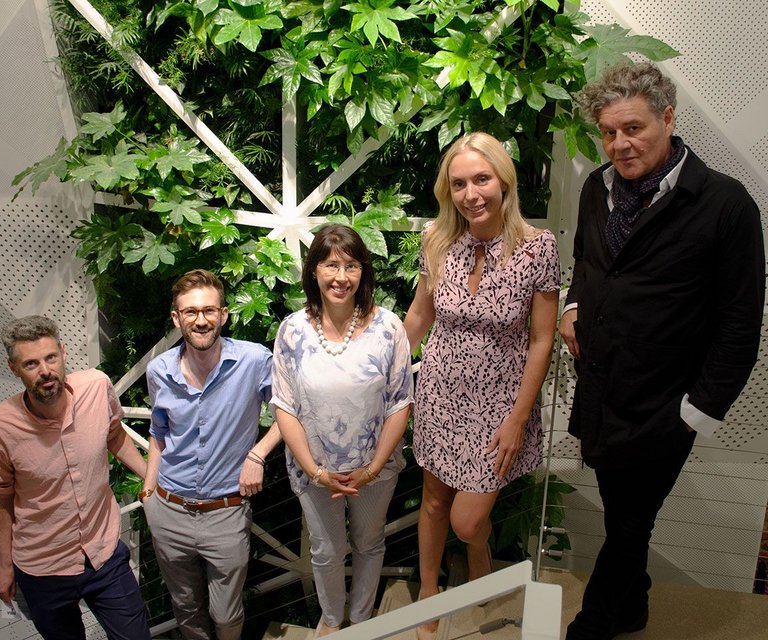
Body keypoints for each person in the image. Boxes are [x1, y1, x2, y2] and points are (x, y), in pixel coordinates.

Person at [559, 62, 765, 640]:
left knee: (629, 523)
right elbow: (588, 265)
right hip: (601, 390)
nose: (620, 144)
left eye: (633, 128)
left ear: (668, 119)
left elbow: (740, 323)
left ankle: (595, 623)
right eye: (609, 131)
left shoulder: (726, 205)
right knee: (629, 516)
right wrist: (575, 307)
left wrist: (695, 414)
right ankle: (633, 606)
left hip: (665, 405)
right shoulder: (597, 189)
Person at [404, 132, 561, 639]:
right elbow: (419, 317)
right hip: (439, 395)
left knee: (467, 519)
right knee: (433, 500)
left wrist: (518, 417)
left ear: (503, 181)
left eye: (481, 180)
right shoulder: (437, 239)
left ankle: (477, 549)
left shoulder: (539, 248)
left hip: (499, 404)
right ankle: (428, 587)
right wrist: (373, 371)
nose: (470, 194)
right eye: (458, 184)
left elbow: (542, 341)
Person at [270, 224, 413, 637]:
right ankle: (332, 621)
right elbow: (285, 406)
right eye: (331, 265)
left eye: (351, 266)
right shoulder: (292, 330)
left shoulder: (388, 328)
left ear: (364, 272)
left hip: (374, 471)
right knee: (325, 550)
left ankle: (363, 620)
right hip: (315, 472)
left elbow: (399, 403)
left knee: (369, 544)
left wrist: (371, 469)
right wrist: (315, 470)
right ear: (313, 270)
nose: (341, 277)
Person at [0, 315, 150, 640]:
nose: (45, 370)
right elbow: (0, 495)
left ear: (63, 352)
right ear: (14, 368)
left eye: (50, 358)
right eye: (31, 363)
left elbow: (113, 435)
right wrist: (4, 565)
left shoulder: (96, 386)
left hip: (103, 553)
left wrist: (150, 476)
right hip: (42, 568)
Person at [141, 268, 282, 640]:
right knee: (185, 608)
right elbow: (159, 434)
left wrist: (258, 454)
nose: (200, 320)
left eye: (208, 311)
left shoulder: (254, 361)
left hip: (226, 512)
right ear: (177, 318)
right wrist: (148, 492)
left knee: (226, 611)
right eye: (190, 312)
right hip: (168, 510)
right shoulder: (158, 370)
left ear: (223, 314)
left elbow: (289, 414)